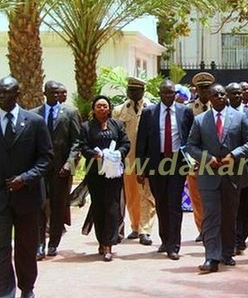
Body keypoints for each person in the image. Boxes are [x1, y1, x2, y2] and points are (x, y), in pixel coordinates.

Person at [0, 76, 53, 298]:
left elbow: (46, 158)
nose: (2, 96)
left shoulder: (35, 122)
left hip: (27, 197)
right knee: (1, 246)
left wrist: (25, 178)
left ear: (18, 94)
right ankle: (2, 297)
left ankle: (27, 285)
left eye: (7, 92)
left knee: (27, 245)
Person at [187, 84, 248, 272]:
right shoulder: (200, 120)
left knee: (229, 215)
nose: (219, 97)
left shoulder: (240, 117)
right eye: (215, 94)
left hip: (232, 175)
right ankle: (211, 257)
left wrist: (234, 155)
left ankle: (227, 252)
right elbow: (191, 146)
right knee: (211, 216)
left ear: (226, 96)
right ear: (209, 98)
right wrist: (207, 158)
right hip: (208, 176)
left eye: (221, 94)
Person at [136, 80, 194, 260]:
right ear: (160, 94)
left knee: (174, 203)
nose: (169, 96)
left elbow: (191, 138)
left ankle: (174, 245)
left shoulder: (185, 111)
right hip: (156, 162)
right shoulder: (149, 112)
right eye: (165, 93)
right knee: (160, 202)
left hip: (177, 162)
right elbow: (141, 141)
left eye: (171, 93)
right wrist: (140, 168)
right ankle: (165, 239)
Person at [32, 80, 80, 259]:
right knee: (39, 205)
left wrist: (70, 163)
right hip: (39, 169)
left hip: (61, 168)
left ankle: (53, 243)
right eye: (51, 93)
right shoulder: (34, 115)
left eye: (58, 93)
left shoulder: (70, 113)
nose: (55, 95)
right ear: (44, 93)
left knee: (58, 206)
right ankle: (39, 244)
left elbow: (77, 141)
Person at [79, 95, 130, 262]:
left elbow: (126, 143)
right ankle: (101, 240)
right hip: (95, 173)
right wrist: (97, 155)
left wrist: (118, 154)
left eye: (105, 106)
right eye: (98, 106)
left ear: (109, 108)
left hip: (114, 174)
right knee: (99, 207)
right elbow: (83, 146)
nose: (102, 109)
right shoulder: (86, 127)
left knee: (112, 208)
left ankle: (109, 244)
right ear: (94, 109)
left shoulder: (118, 125)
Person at [112, 77, 156, 247]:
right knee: (131, 196)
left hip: (147, 159)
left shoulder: (151, 108)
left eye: (136, 90)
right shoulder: (119, 110)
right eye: (130, 90)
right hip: (127, 159)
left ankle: (146, 230)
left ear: (143, 91)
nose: (133, 93)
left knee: (147, 194)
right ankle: (136, 226)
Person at [226, 82, 248, 254]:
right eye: (233, 93)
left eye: (239, 93)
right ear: (227, 95)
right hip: (226, 169)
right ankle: (230, 239)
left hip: (247, 169)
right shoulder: (221, 115)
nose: (237, 96)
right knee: (230, 207)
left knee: (245, 207)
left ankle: (240, 238)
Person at [187, 72, 215, 242]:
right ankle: (202, 228)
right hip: (194, 161)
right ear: (196, 89)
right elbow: (185, 139)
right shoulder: (188, 109)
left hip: (215, 160)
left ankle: (213, 227)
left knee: (213, 197)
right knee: (196, 197)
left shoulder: (219, 106)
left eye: (207, 88)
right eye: (201, 88)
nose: (204, 91)